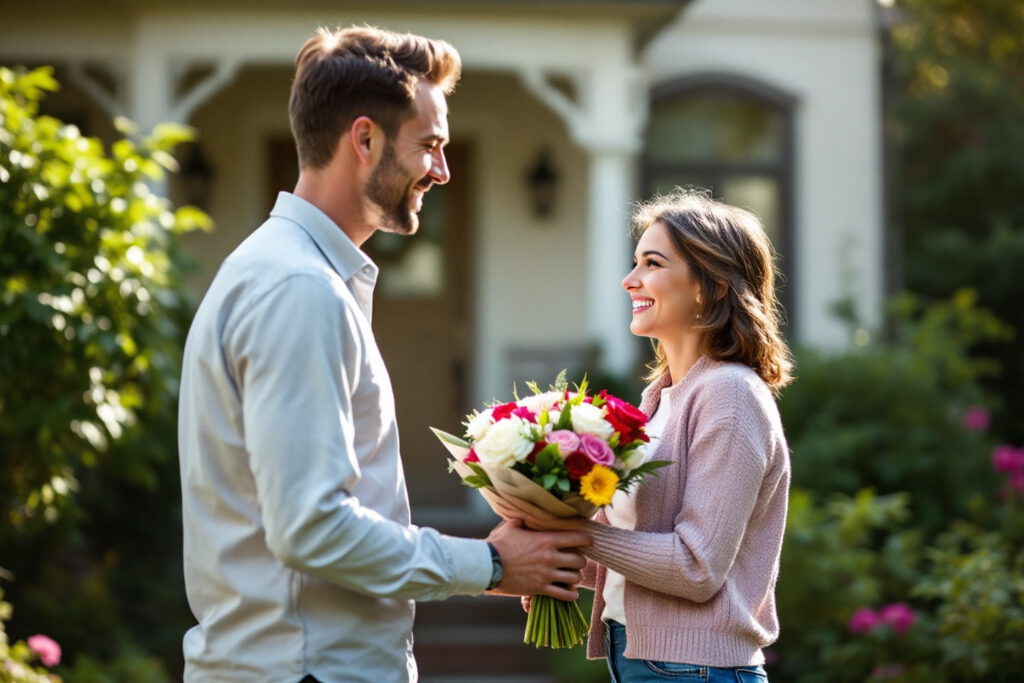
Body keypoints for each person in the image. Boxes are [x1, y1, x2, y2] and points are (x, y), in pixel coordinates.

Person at [177, 25, 589, 683]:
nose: (444, 171)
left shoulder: (294, 274)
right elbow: (310, 528)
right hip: (304, 668)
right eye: (430, 146)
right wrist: (489, 565)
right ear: (364, 140)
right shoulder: (298, 289)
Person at [517, 189, 794, 682]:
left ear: (709, 286)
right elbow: (634, 556)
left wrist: (576, 534)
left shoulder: (730, 395)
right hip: (648, 661)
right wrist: (550, 559)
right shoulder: (660, 398)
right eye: (634, 262)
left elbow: (695, 567)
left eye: (652, 263)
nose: (629, 280)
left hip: (697, 669)